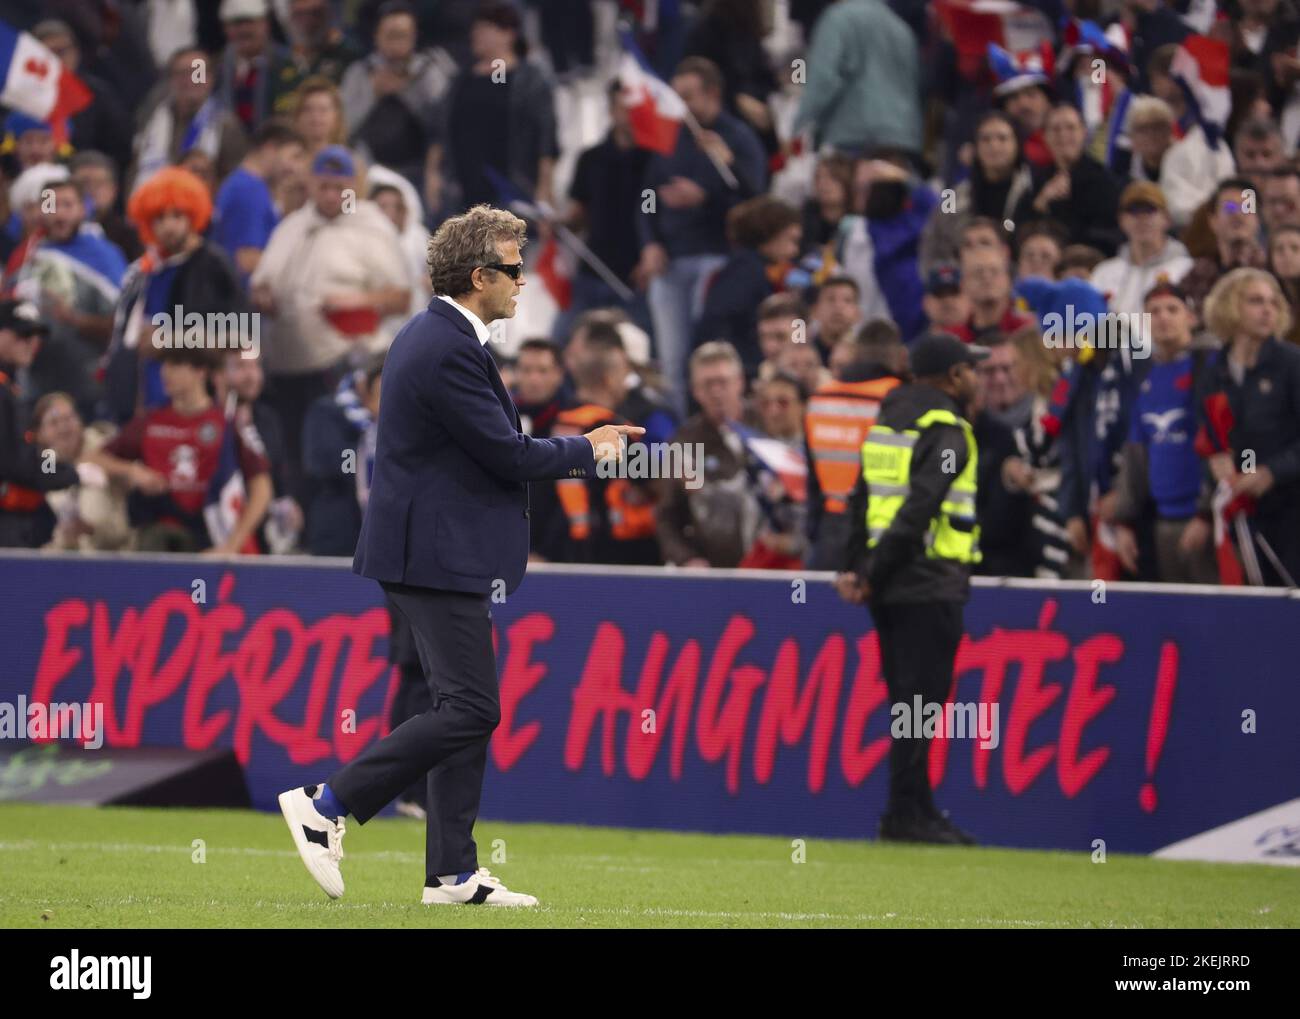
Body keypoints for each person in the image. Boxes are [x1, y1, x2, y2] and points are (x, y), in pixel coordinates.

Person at [276, 204, 643, 907]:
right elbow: (506, 453)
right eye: (511, 269)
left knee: (460, 705)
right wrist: (588, 448)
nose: (522, 283)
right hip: (434, 554)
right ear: (479, 276)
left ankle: (451, 872)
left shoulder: (440, 336)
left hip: (438, 551)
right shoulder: (446, 345)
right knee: (472, 708)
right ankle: (327, 803)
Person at [835, 332, 985, 845]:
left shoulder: (887, 423)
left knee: (909, 701)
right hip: (928, 582)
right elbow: (920, 508)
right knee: (921, 702)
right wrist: (871, 572)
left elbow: (860, 499)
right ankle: (906, 814)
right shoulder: (948, 430)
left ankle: (915, 807)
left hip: (890, 586)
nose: (977, 378)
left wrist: (857, 568)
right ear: (954, 376)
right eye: (972, 368)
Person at [87, 344, 273, 554]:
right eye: (164, 364)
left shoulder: (226, 424)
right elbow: (93, 458)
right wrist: (132, 471)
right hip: (160, 534)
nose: (165, 372)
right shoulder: (151, 422)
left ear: (200, 371)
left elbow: (262, 487)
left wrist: (232, 545)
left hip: (211, 533)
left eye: (175, 364)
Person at [1197, 267, 1300, 586]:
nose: (1268, 309)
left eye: (1273, 302)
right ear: (1229, 307)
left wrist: (1271, 471)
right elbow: (1212, 436)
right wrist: (1218, 462)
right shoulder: (1213, 371)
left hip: (1292, 506)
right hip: (1245, 511)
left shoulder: (1291, 363)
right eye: (1256, 301)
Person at [0, 301, 81, 548]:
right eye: (22, 335)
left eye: (35, 336)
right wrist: (67, 471)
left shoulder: (10, 389)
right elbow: (21, 465)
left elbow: (28, 455)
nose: (32, 343)